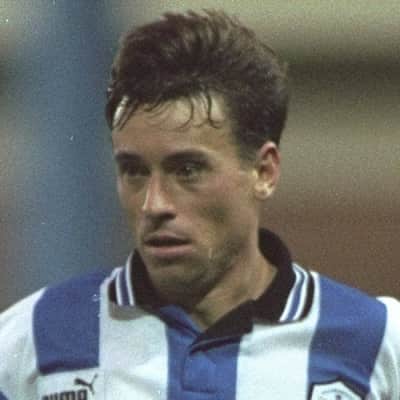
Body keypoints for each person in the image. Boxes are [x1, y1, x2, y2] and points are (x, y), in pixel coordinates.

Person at [0, 9, 399, 400]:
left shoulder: (377, 345)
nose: (154, 205)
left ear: (264, 172)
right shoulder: (31, 340)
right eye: (134, 171)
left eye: (187, 170)